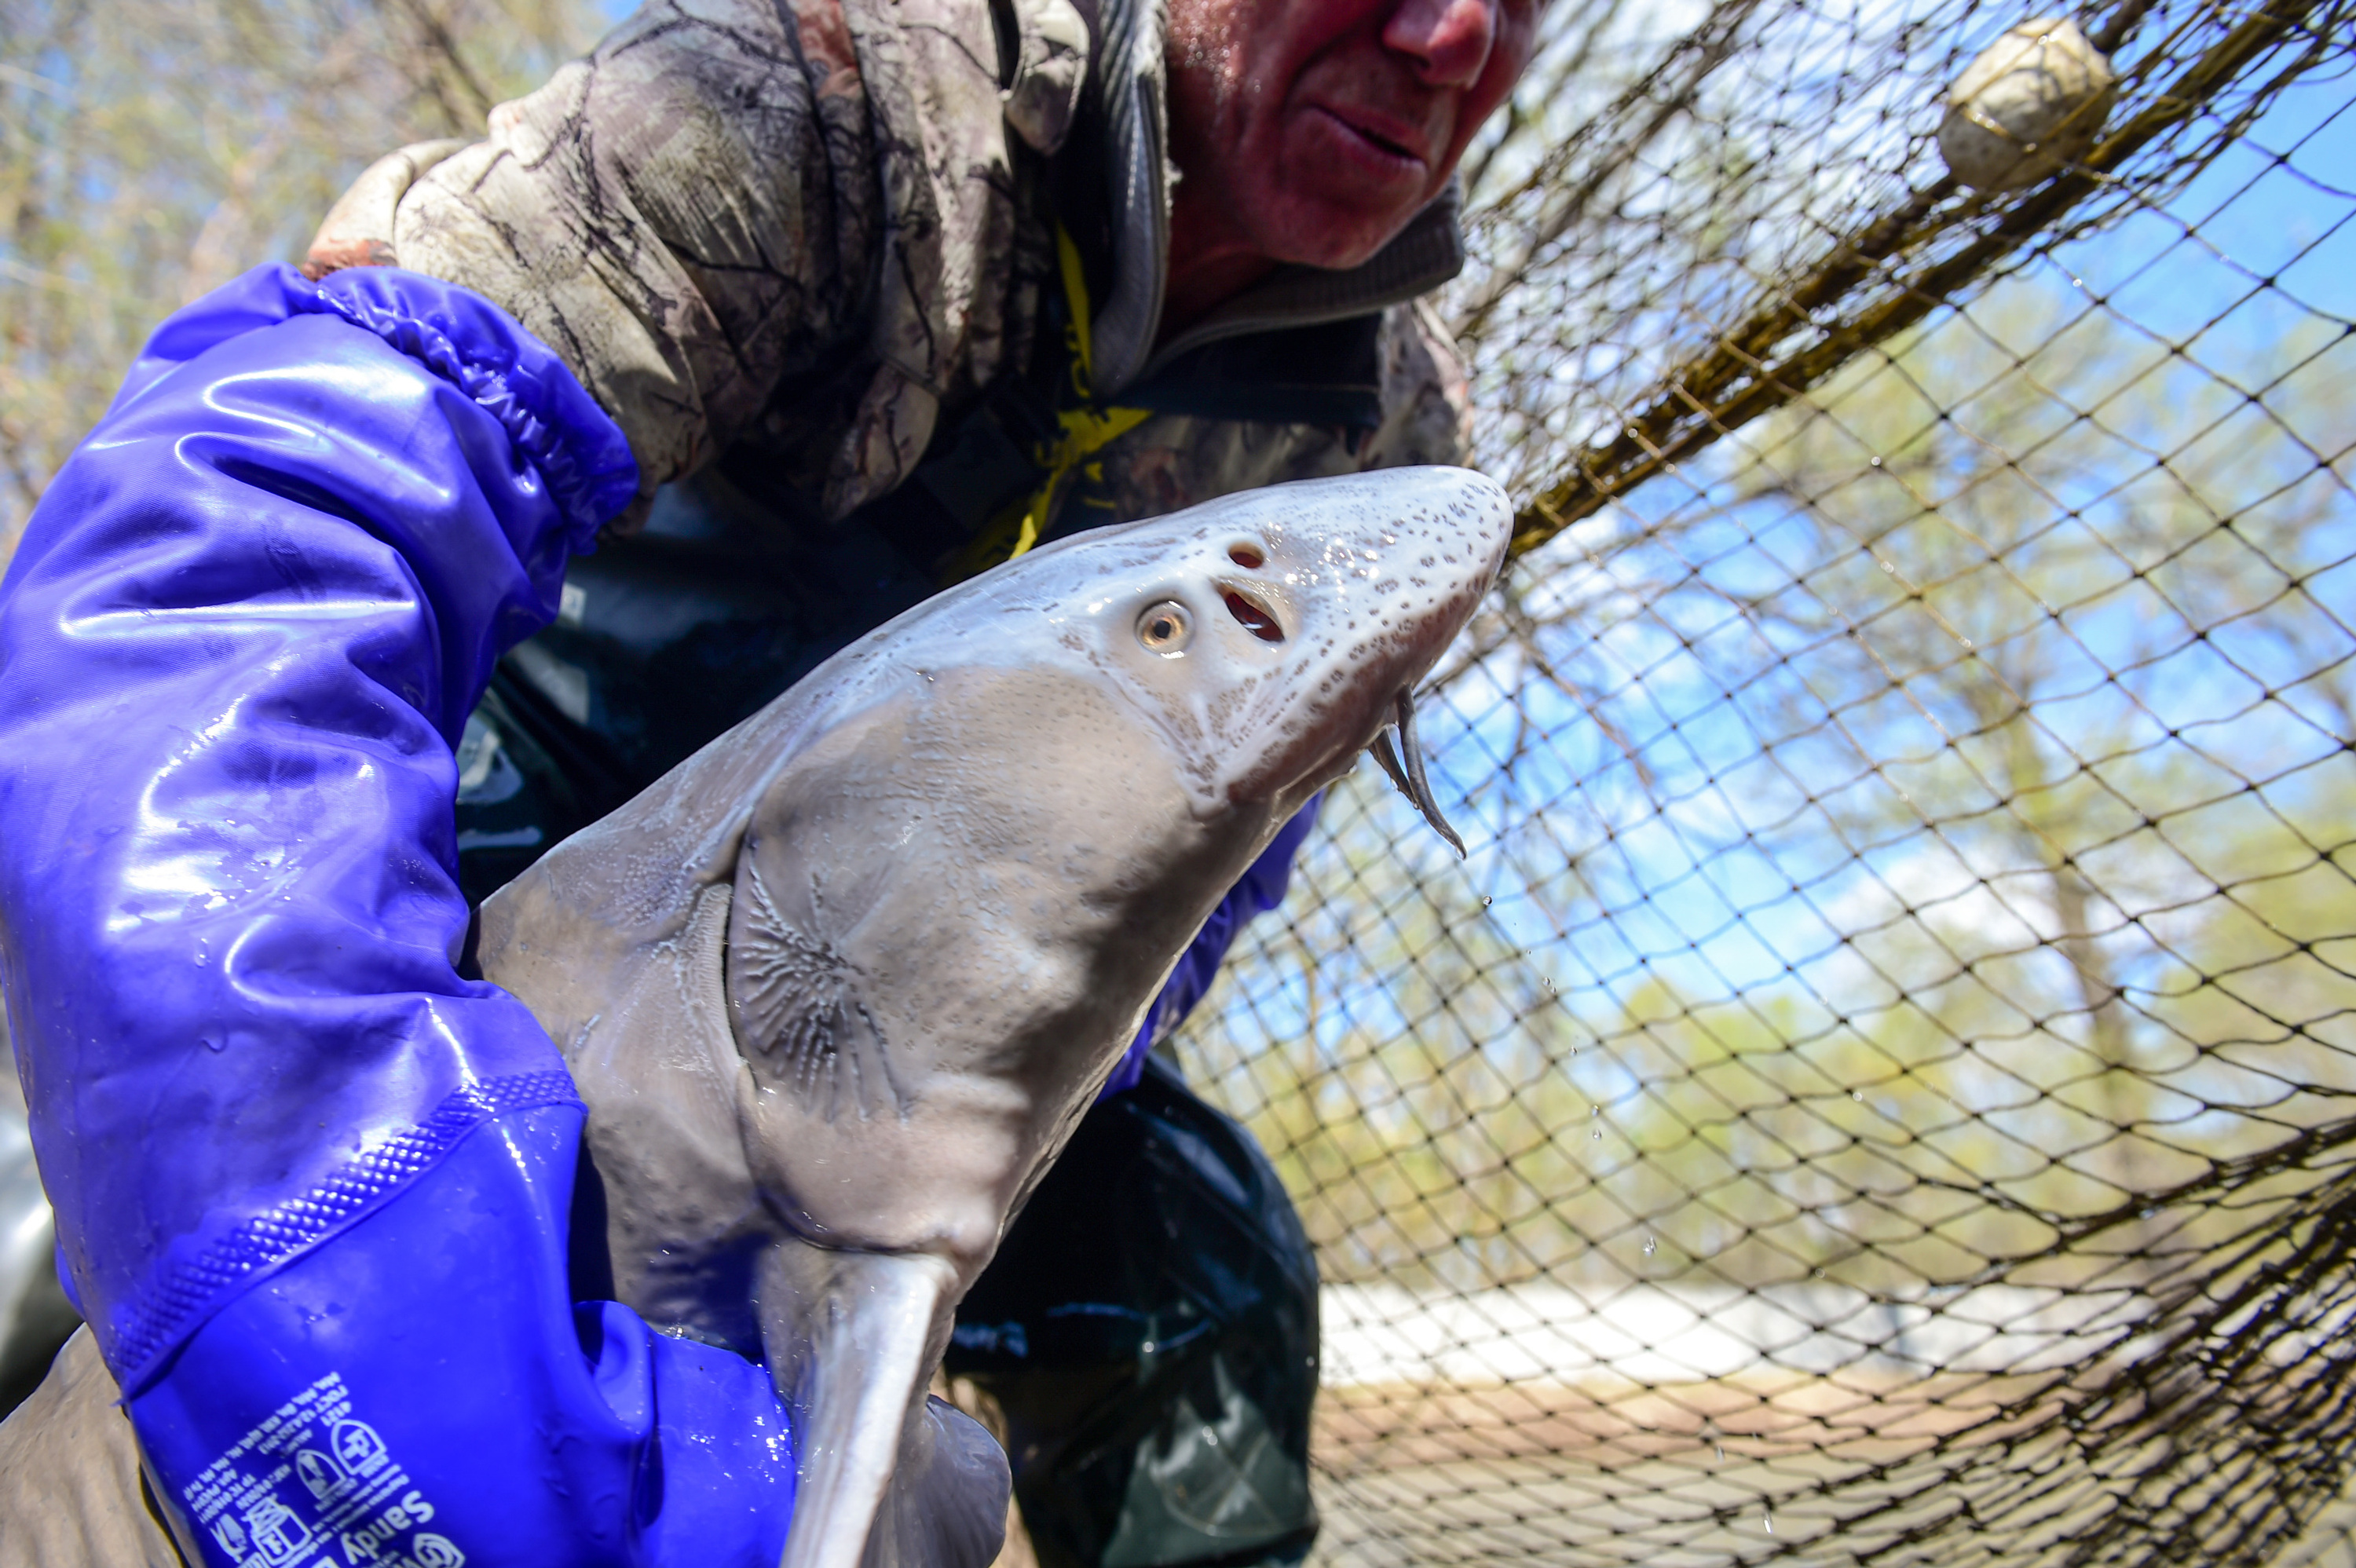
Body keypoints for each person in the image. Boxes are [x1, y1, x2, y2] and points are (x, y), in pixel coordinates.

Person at [0, 0, 1539, 1563]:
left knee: (1204, 1279)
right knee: (76, 1248)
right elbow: (257, 536)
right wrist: (287, 1174)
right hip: (471, 870)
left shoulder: (1391, 432)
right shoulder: (818, 95)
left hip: (888, 1033)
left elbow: (1209, 893)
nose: (1458, 32)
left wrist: (922, 1181)